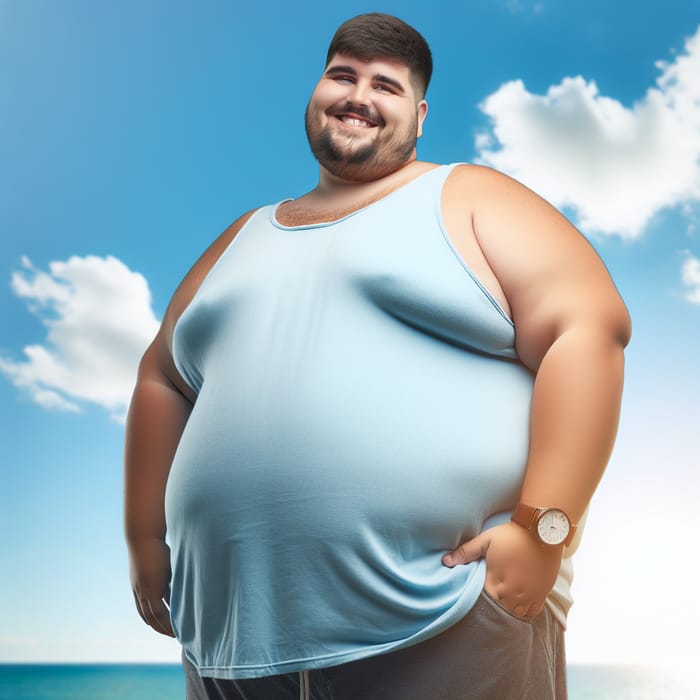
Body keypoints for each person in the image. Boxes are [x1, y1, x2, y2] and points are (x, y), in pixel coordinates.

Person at [124, 12, 630, 700]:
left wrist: (543, 531)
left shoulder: (467, 196)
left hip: (440, 614)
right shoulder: (240, 236)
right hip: (229, 637)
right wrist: (146, 543)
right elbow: (163, 376)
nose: (358, 94)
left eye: (385, 85)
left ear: (419, 117)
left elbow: (588, 328)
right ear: (315, 95)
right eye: (342, 75)